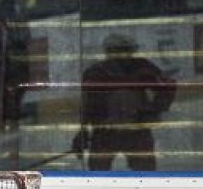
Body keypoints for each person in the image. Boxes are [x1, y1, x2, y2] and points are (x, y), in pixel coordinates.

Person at [73, 33, 176, 170]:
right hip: (106, 132)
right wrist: (83, 131)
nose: (121, 55)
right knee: (98, 173)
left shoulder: (142, 67)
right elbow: (87, 105)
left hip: (137, 130)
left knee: (145, 173)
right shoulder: (94, 73)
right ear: (108, 52)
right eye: (116, 50)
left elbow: (168, 86)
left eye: (125, 50)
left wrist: (153, 110)